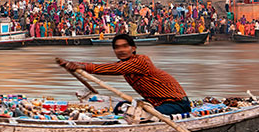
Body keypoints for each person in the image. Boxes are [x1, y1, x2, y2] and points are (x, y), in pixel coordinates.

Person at [58, 33, 191, 116]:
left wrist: (81, 66)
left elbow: (113, 69)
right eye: (117, 47)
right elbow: (112, 67)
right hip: (155, 102)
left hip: (176, 103)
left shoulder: (141, 61)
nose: (120, 50)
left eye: (124, 46)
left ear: (133, 48)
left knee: (140, 115)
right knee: (119, 107)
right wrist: (73, 64)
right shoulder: (124, 66)